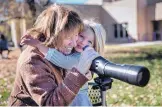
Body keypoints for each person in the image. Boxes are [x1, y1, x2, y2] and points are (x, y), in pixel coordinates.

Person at [8, 4, 99, 106]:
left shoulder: (61, 50)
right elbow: (50, 104)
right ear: (53, 34)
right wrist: (78, 74)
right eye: (69, 37)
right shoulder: (33, 61)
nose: (74, 44)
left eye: (76, 35)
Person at [20, 20, 106, 106]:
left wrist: (39, 45)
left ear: (94, 47)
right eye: (81, 36)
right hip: (69, 94)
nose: (83, 42)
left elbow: (63, 61)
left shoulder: (81, 57)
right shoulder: (74, 52)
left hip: (78, 98)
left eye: (89, 42)